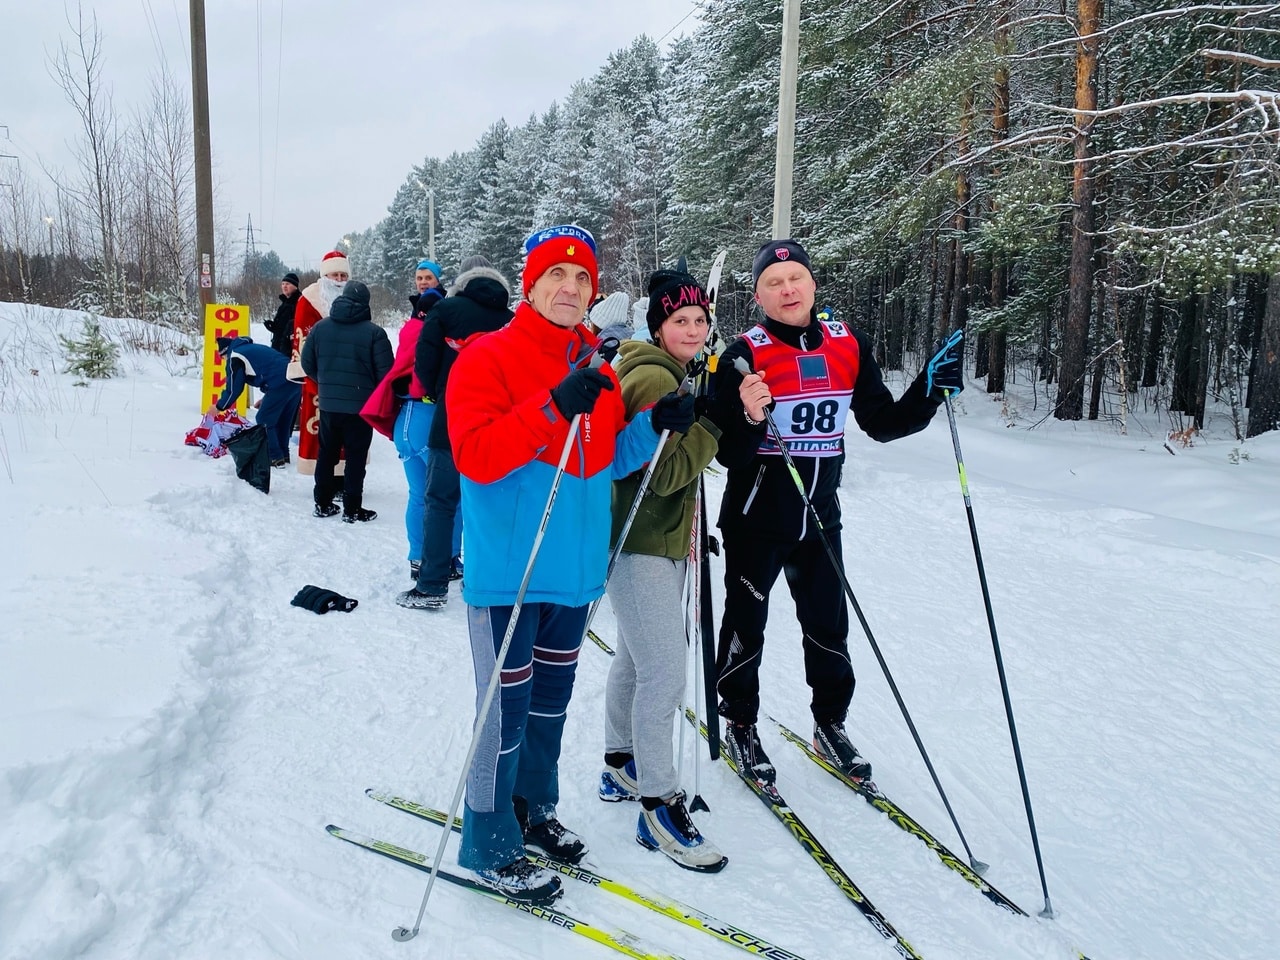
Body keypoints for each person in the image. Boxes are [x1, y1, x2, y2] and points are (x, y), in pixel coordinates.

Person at [446, 224, 695, 904]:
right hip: (512, 571)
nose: (569, 287)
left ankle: (533, 811)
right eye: (555, 274)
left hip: (577, 571)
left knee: (550, 707)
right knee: (504, 710)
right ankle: (488, 838)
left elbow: (603, 458)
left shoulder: (595, 362)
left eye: (581, 277)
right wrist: (552, 405)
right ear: (530, 284)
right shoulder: (487, 356)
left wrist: (655, 423)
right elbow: (477, 455)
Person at [710, 238, 965, 784]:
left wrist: (930, 389)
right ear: (758, 295)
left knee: (828, 624)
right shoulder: (743, 354)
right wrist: (748, 418)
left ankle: (829, 722)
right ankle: (740, 722)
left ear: (812, 284)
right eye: (773, 284)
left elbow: (883, 422)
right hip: (757, 518)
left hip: (820, 516)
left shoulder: (849, 344)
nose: (787, 289)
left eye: (795, 278)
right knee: (745, 625)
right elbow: (724, 451)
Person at [600, 267, 750, 873]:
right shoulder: (654, 375)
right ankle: (658, 805)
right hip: (642, 543)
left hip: (650, 539)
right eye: (679, 319)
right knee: (664, 672)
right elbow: (661, 474)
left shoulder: (663, 368)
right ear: (657, 325)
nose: (692, 328)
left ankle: (622, 765)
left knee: (637, 659)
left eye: (700, 320)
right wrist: (715, 420)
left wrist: (714, 413)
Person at [397, 254, 513, 610]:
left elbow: (425, 365)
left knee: (440, 500)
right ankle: (493, 580)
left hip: (452, 419)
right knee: (495, 503)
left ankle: (432, 584)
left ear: (461, 280)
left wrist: (439, 392)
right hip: (503, 423)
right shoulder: (512, 320)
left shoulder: (444, 312)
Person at [371, 268, 456, 575]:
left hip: (405, 418)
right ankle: (450, 557)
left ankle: (418, 556)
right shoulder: (438, 328)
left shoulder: (409, 327)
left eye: (427, 277)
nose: (422, 282)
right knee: (449, 497)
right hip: (426, 416)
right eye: (419, 277)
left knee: (419, 494)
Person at [300, 280, 394, 522]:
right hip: (360, 407)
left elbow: (307, 363)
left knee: (326, 453)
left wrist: (325, 382)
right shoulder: (375, 333)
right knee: (355, 457)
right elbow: (386, 374)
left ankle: (322, 503)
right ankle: (352, 508)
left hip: (329, 404)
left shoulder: (321, 328)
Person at [291, 250, 352, 478]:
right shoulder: (309, 299)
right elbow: (302, 338)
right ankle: (324, 478)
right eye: (334, 275)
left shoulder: (353, 296)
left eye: (343, 276)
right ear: (325, 276)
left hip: (348, 376)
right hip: (319, 376)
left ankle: (343, 474)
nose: (338, 281)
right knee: (320, 427)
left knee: (347, 429)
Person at [209, 334, 302, 466]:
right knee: (283, 419)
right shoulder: (249, 348)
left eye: (223, 358)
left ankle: (274, 456)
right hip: (295, 379)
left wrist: (219, 406)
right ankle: (283, 454)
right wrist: (266, 397)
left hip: (280, 383)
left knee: (264, 419)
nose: (224, 361)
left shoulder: (235, 356)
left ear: (224, 353)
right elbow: (271, 369)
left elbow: (234, 388)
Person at [264, 272, 301, 357]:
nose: (284, 286)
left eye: (287, 284)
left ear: (295, 286)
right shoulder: (284, 303)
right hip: (278, 347)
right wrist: (273, 327)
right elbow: (282, 327)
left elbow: (294, 327)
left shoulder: (299, 302)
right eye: (283, 284)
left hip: (289, 349)